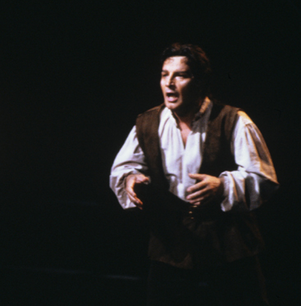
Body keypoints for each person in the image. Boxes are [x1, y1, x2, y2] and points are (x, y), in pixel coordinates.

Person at [109, 43, 278, 305]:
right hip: (171, 246)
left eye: (180, 75)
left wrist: (223, 186)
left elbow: (264, 179)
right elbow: (124, 167)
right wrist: (131, 179)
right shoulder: (148, 122)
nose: (169, 83)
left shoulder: (232, 120)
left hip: (229, 248)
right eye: (165, 74)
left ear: (199, 82)